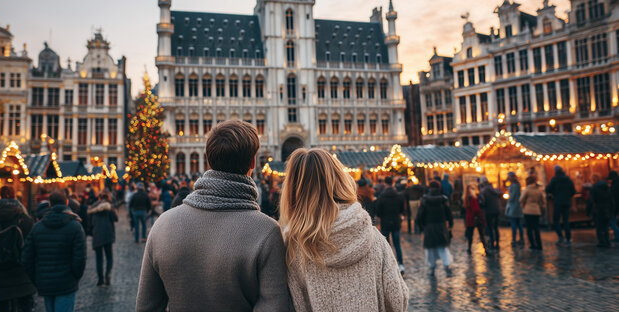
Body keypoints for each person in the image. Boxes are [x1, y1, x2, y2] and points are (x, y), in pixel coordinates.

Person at [136, 120, 291, 311]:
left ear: (208, 159)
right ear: (252, 162)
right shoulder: (266, 232)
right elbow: (275, 307)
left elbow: (146, 306)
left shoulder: (163, 224)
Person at [280, 148, 408, 311]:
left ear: (293, 190)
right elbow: (397, 299)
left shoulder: (293, 245)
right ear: (340, 180)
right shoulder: (371, 235)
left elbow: (296, 304)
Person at [22, 190, 86, 312]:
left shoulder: (37, 227)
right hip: (66, 282)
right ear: (67, 202)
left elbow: (26, 257)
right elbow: (80, 257)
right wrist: (75, 276)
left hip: (46, 282)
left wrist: (37, 278)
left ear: (50, 204)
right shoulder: (75, 226)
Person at [0, 186, 36, 312]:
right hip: (22, 273)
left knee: (2, 306)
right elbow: (33, 247)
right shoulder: (26, 220)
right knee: (25, 306)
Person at [416, 181, 453, 277]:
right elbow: (449, 213)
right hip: (441, 226)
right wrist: (451, 224)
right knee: (442, 248)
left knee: (430, 250)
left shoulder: (425, 200)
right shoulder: (443, 199)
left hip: (429, 227)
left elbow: (420, 215)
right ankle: (447, 267)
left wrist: (420, 226)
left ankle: (432, 268)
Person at [375, 176, 406, 275]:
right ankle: (401, 264)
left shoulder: (381, 197)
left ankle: (389, 266)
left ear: (385, 183)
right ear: (392, 182)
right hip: (396, 222)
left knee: (387, 245)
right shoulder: (399, 196)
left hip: (385, 222)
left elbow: (378, 211)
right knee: (397, 244)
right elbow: (402, 209)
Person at [87, 192, 118, 285]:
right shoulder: (110, 207)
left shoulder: (93, 208)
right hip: (108, 234)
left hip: (97, 235)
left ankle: (100, 279)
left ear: (99, 198)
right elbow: (116, 219)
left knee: (99, 258)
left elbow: (89, 222)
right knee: (109, 257)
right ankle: (108, 274)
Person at [546, 165, 576, 246]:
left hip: (558, 201)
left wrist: (554, 193)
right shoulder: (568, 179)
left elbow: (547, 189)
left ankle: (560, 237)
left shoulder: (554, 179)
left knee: (556, 220)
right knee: (566, 220)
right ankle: (568, 238)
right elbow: (573, 191)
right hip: (566, 202)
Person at [588, 174, 614, 248]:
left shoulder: (594, 188)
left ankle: (602, 241)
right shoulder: (607, 187)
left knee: (599, 226)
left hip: (598, 209)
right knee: (605, 226)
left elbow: (591, 201)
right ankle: (607, 240)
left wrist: (589, 211)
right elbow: (611, 199)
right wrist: (612, 209)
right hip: (606, 209)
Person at [520, 175, 546, 250]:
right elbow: (543, 201)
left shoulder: (527, 189)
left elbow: (521, 199)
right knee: (536, 229)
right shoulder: (539, 190)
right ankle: (539, 245)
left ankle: (532, 244)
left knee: (529, 229)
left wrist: (524, 206)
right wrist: (540, 207)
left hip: (528, 211)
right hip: (536, 211)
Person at [478, 177, 503, 250]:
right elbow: (500, 194)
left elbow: (483, 202)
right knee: (495, 227)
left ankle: (492, 243)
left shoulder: (483, 191)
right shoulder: (494, 189)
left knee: (489, 227)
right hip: (496, 210)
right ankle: (497, 243)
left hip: (488, 211)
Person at [463, 183, 487, 254]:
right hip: (476, 218)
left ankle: (469, 248)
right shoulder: (473, 199)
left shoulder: (466, 198)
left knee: (470, 234)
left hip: (469, 218)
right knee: (481, 234)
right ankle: (485, 248)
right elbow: (476, 209)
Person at [505, 172, 524, 247]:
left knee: (514, 223)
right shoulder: (517, 185)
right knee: (519, 224)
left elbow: (512, 197)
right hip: (518, 207)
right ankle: (521, 239)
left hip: (514, 207)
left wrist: (509, 200)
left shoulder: (514, 186)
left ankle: (514, 239)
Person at [608, 171, 619, 242]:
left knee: (612, 221)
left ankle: (617, 236)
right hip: (616, 205)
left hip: (615, 206)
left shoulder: (614, 185)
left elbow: (613, 197)